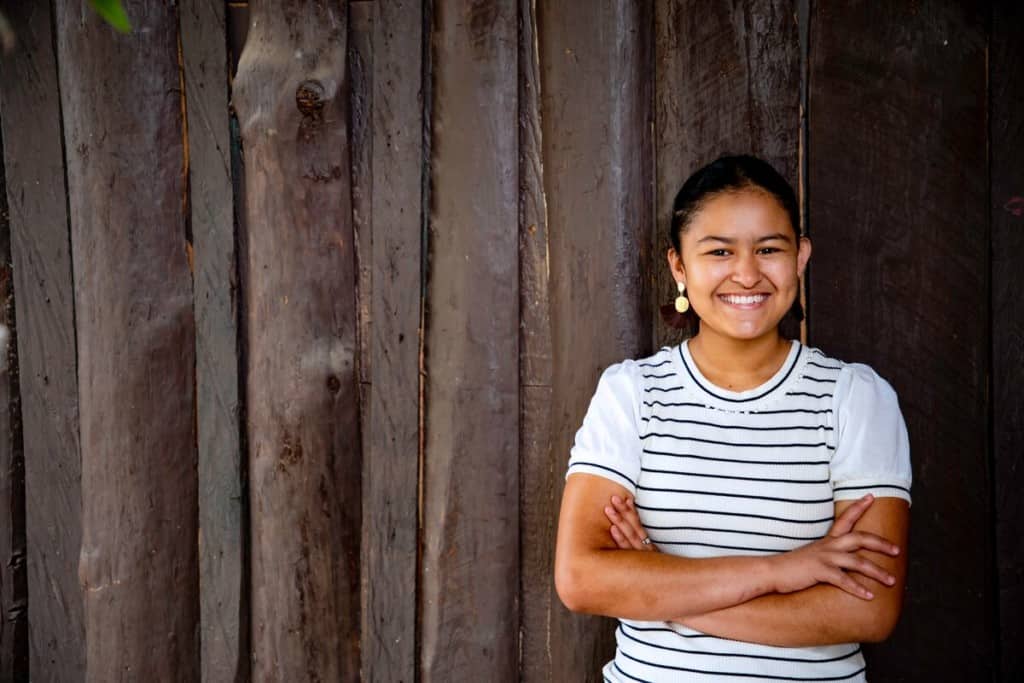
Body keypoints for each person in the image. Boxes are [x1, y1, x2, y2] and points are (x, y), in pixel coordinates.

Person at [554, 155, 911, 682]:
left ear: (801, 257)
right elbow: (582, 579)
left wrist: (663, 593)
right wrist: (783, 570)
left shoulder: (855, 400)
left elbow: (867, 611)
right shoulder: (632, 394)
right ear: (679, 266)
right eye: (719, 251)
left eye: (769, 249)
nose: (747, 273)